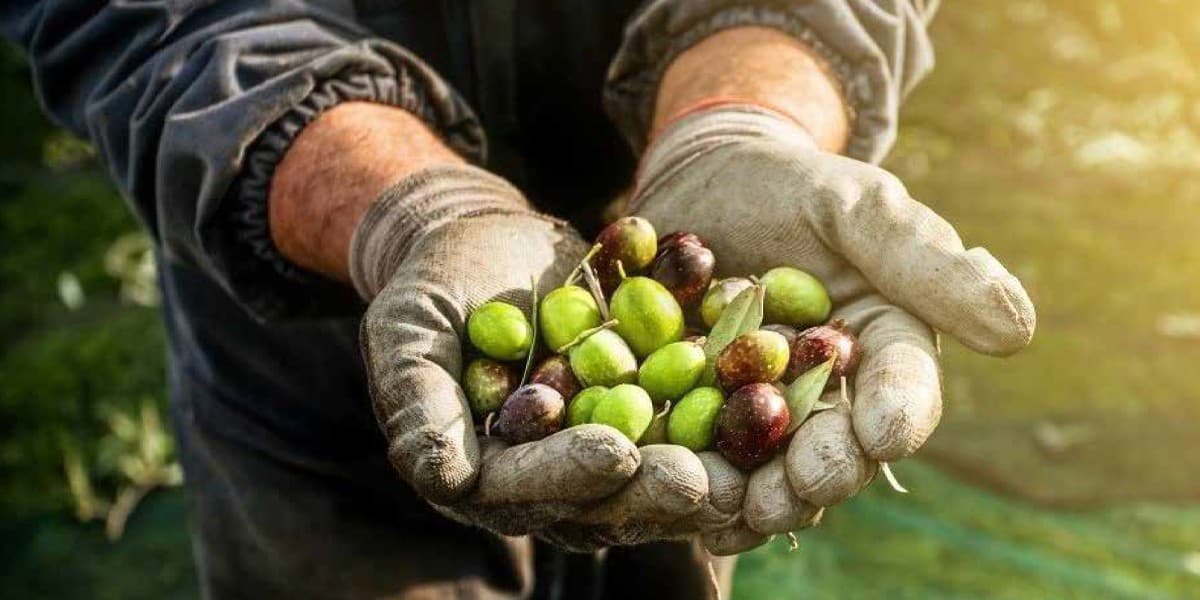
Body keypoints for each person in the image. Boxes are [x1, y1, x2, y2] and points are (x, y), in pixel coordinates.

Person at [2, 1, 1035, 598]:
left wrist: (738, 122)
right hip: (300, 294)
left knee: (655, 545)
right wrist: (409, 209)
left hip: (663, 205)